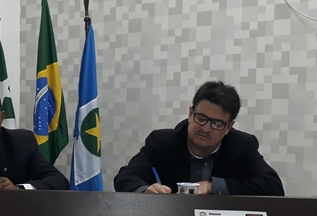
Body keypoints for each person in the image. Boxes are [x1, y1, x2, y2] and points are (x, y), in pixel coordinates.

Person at [113, 81, 284, 196]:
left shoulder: (241, 145)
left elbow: (272, 186)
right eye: (201, 118)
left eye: (216, 123)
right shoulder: (163, 142)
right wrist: (145, 191)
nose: (206, 128)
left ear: (228, 127)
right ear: (190, 113)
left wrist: (213, 186)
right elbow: (126, 176)